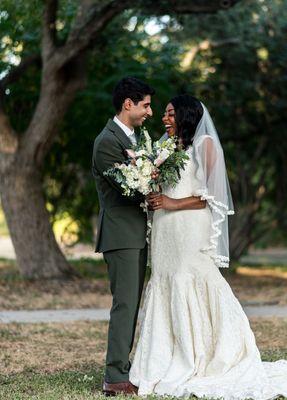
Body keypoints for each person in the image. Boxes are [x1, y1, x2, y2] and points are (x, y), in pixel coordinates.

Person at [129, 94, 287, 399]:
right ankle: (163, 357)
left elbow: (212, 194)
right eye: (164, 114)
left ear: (187, 116)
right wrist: (152, 190)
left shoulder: (205, 145)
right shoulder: (165, 148)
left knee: (195, 280)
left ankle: (206, 354)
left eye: (171, 114)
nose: (165, 118)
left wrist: (173, 202)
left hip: (190, 227)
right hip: (165, 229)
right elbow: (165, 185)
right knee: (165, 283)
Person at [92, 76, 155, 396]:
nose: (150, 112)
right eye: (145, 105)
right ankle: (115, 375)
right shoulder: (107, 142)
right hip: (121, 235)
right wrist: (153, 178)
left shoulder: (138, 136)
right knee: (126, 305)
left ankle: (125, 366)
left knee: (134, 304)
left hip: (138, 234)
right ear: (127, 104)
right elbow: (130, 187)